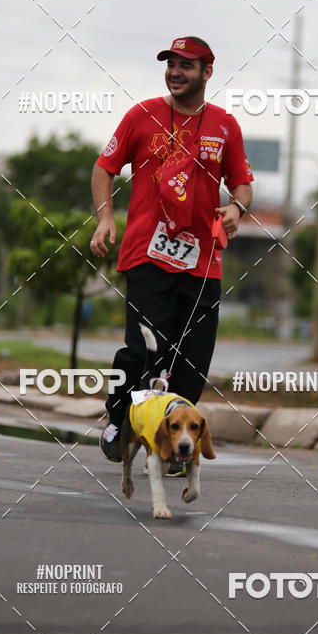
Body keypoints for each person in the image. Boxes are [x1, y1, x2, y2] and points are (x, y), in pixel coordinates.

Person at [90, 35, 253, 470]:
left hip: (204, 260)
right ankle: (118, 418)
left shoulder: (224, 125)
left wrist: (236, 208)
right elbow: (104, 167)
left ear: (207, 72)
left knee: (194, 359)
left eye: (186, 65)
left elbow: (242, 183)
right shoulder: (141, 115)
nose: (176, 72)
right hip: (148, 253)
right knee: (143, 350)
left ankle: (173, 440)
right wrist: (106, 218)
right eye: (171, 64)